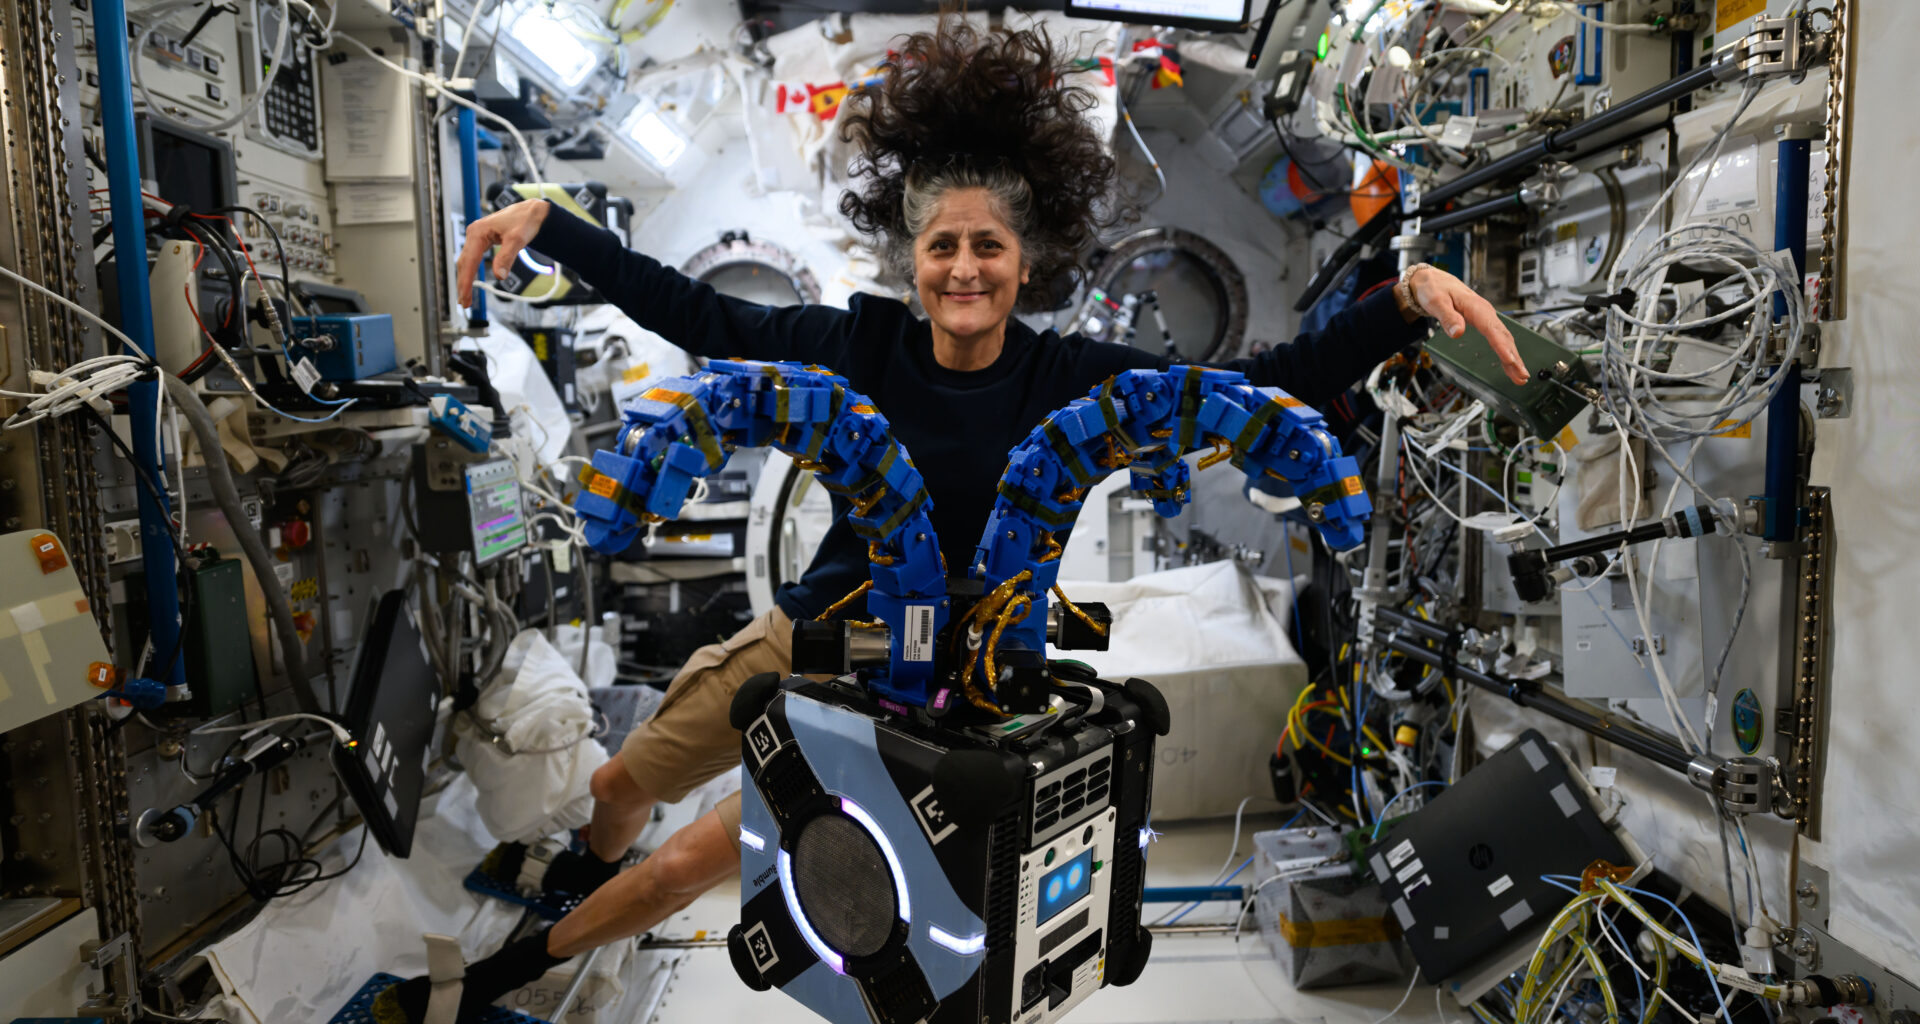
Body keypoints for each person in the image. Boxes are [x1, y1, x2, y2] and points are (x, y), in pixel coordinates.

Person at [376, 17, 1524, 1022]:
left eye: (989, 247)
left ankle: (498, 981)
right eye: (942, 246)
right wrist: (557, 226)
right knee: (625, 785)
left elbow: (1258, 380)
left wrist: (1402, 302)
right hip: (817, 631)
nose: (963, 269)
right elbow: (696, 312)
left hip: (946, 684)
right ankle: (571, 883)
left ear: (1028, 263)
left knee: (687, 862)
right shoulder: (856, 346)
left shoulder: (1071, 376)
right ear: (911, 255)